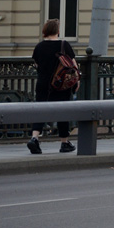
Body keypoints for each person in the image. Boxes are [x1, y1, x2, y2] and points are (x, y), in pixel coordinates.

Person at [29, 18, 76, 154]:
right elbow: (73, 65)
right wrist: (76, 81)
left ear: (45, 31)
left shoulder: (39, 47)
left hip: (43, 83)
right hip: (60, 84)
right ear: (57, 31)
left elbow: (37, 65)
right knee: (62, 111)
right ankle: (64, 143)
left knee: (40, 110)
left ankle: (34, 138)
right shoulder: (64, 45)